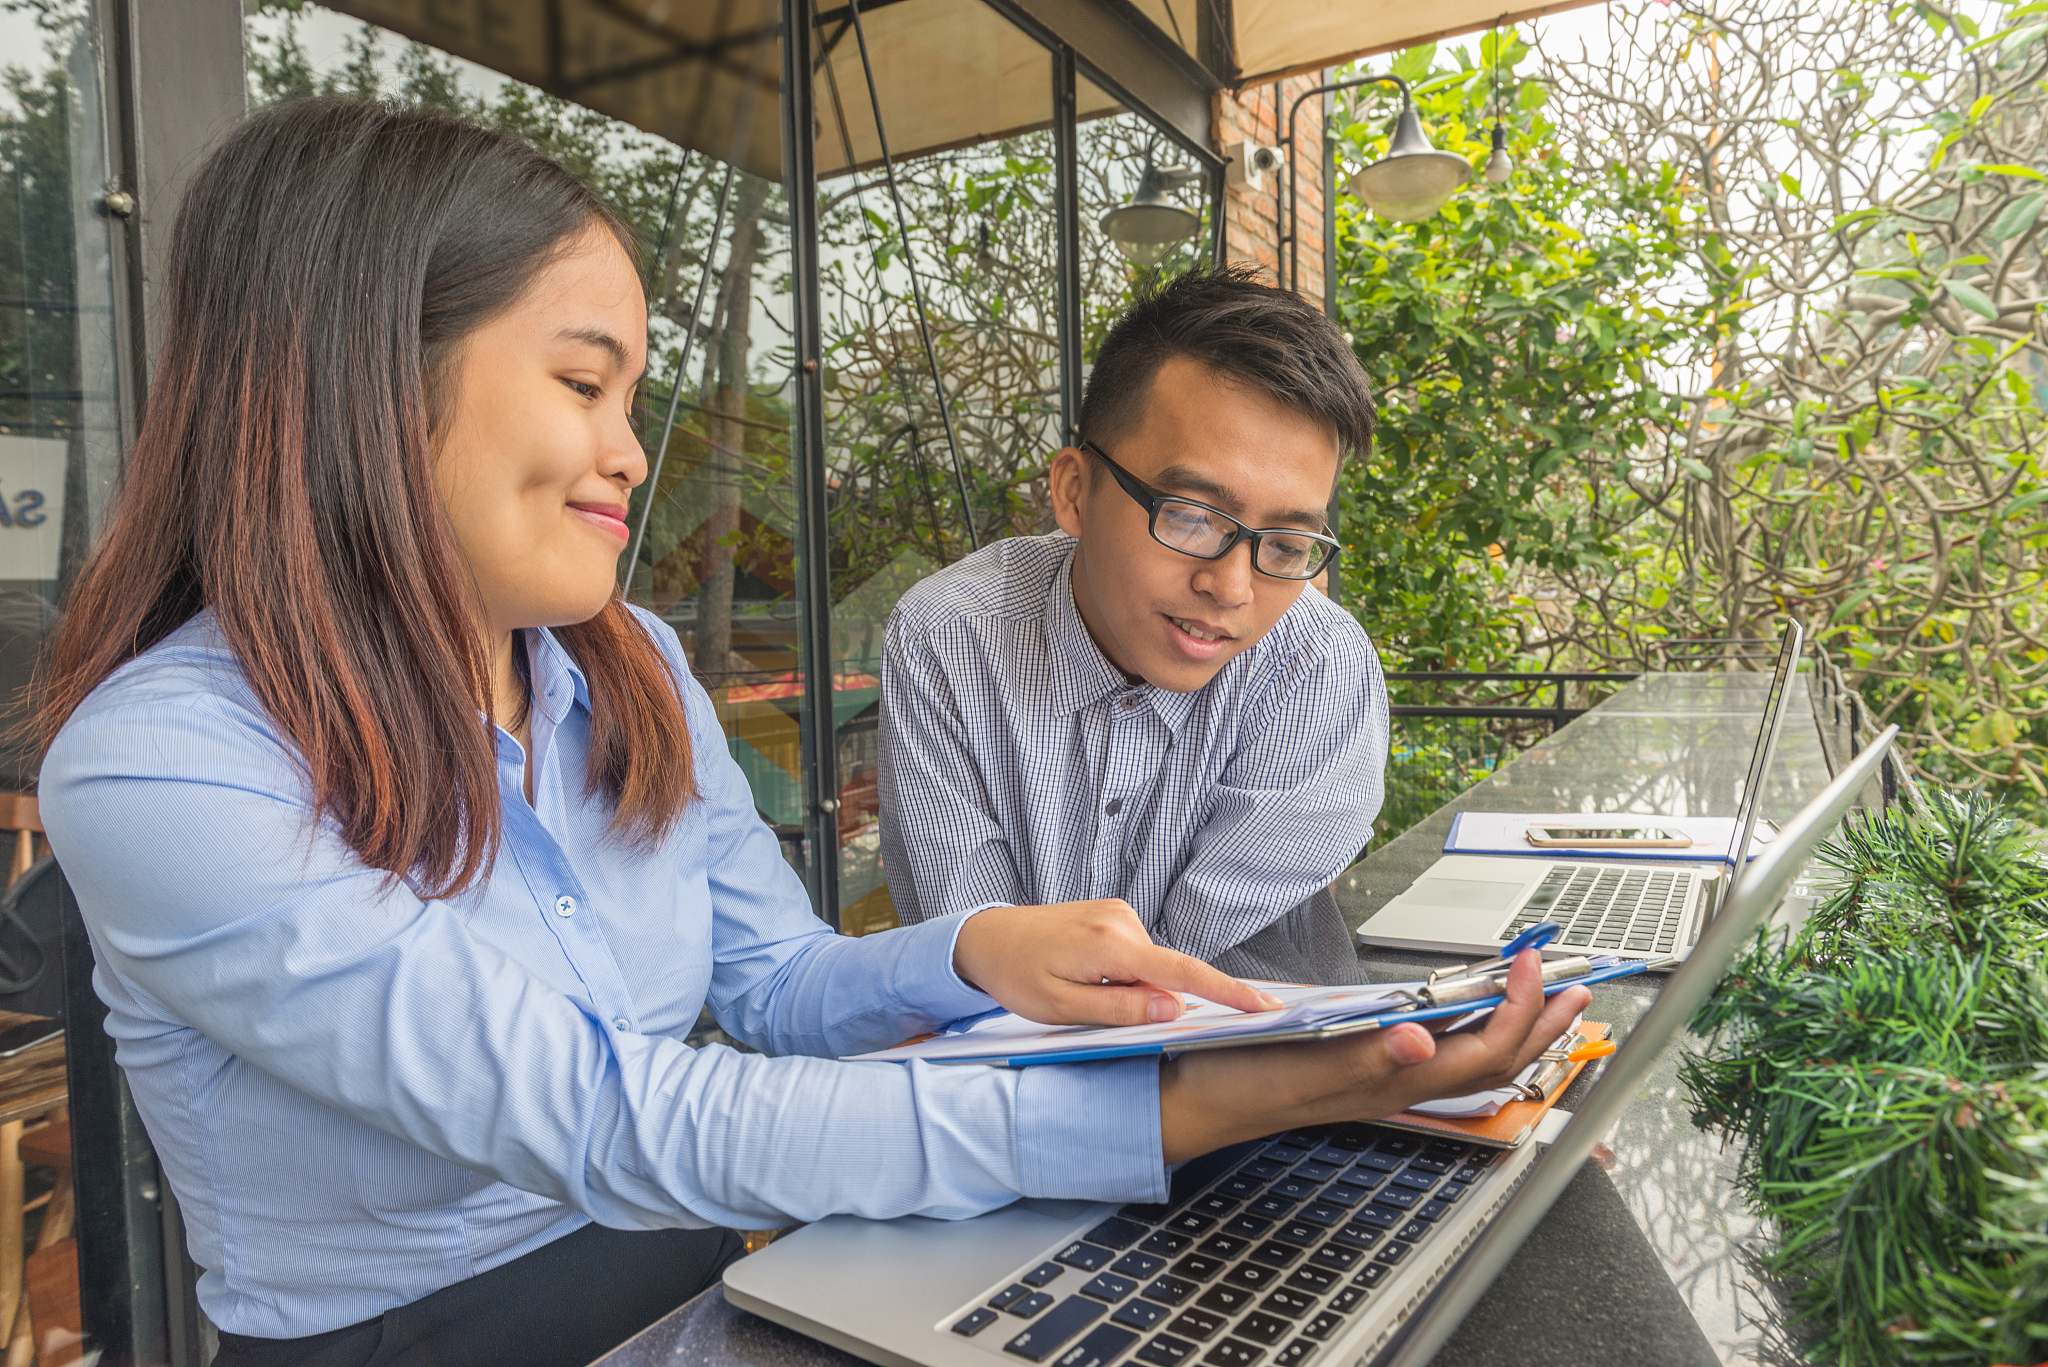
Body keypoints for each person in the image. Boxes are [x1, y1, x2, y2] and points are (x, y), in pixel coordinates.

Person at [33, 99, 1586, 1367]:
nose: (631, 453)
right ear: (365, 380)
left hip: (737, 1273)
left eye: (633, 395)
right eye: (584, 382)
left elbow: (771, 983)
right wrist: (1206, 1101)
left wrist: (973, 950)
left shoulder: (629, 666)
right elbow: (612, 1111)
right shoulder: (163, 761)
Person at [880, 269, 1387, 973]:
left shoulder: (1318, 668)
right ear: (1074, 492)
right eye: (1190, 516)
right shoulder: (951, 640)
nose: (1231, 587)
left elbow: (1205, 975)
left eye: (1286, 545)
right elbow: (984, 957)